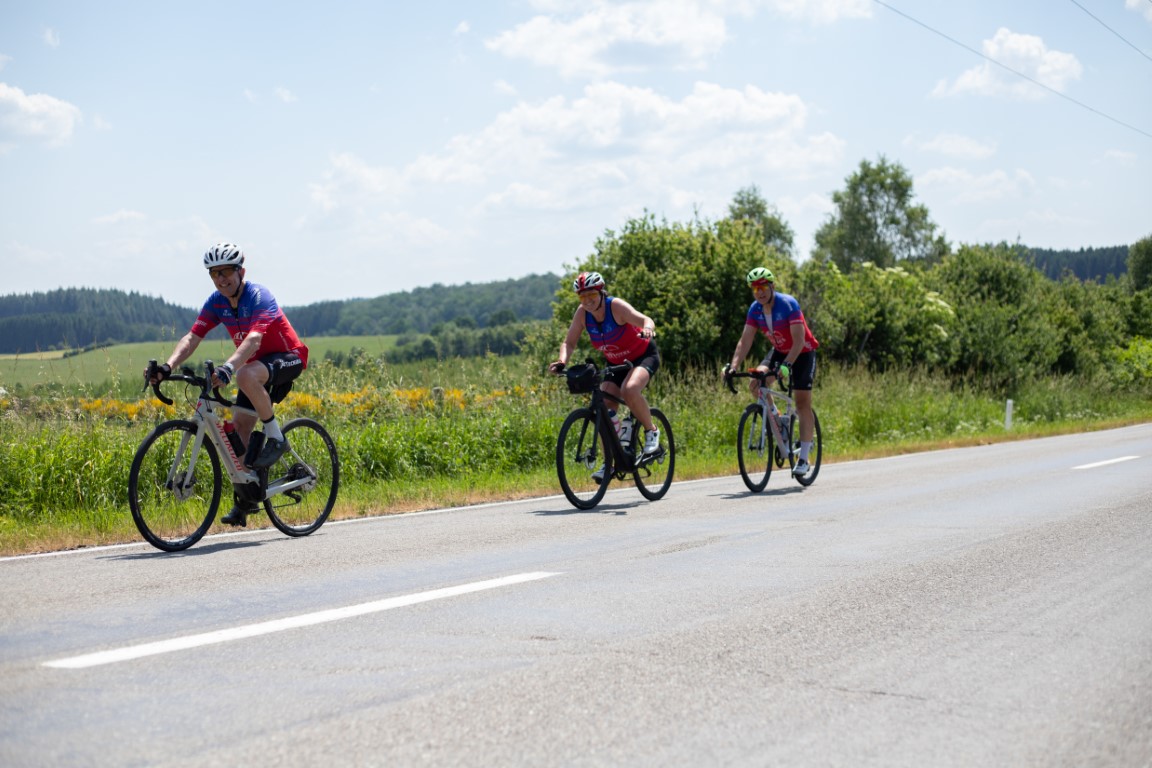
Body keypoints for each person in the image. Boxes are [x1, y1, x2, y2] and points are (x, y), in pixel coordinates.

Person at [146, 243, 309, 526]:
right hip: (254, 366)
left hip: (288, 357)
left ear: (240, 272)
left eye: (225, 272)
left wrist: (228, 367)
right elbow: (192, 338)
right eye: (214, 273)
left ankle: (277, 439)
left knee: (244, 375)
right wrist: (168, 366)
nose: (220, 279)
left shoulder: (259, 296)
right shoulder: (217, 302)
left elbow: (254, 340)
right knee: (240, 427)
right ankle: (246, 500)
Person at [549, 271, 661, 481]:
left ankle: (651, 431)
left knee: (629, 390)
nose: (587, 301)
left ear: (601, 292)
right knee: (604, 407)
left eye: (591, 295)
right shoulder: (582, 314)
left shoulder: (615, 307)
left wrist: (647, 329)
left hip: (642, 356)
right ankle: (610, 461)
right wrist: (562, 361)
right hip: (616, 363)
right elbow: (569, 342)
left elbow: (646, 319)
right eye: (582, 296)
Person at [725, 267, 819, 476]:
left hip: (802, 352)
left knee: (802, 403)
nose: (759, 292)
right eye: (755, 288)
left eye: (763, 287)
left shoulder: (788, 304)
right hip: (779, 350)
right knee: (756, 382)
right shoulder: (755, 310)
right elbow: (745, 341)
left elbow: (799, 341)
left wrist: (786, 366)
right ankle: (778, 422)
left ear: (772, 286)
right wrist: (733, 367)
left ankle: (804, 458)